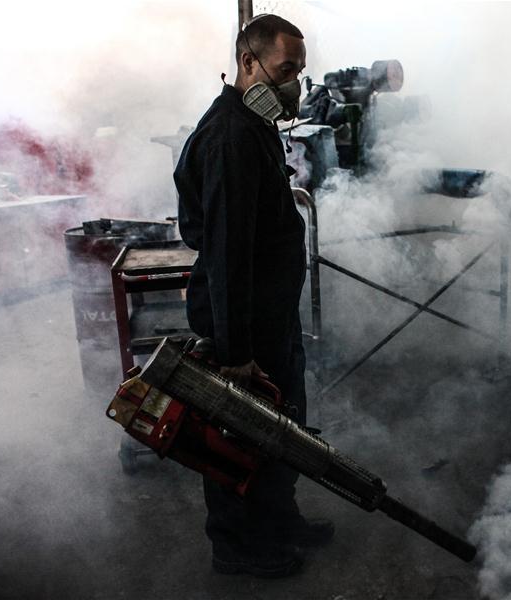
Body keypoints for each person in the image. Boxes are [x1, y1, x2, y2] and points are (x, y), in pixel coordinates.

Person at [174, 13, 333, 578]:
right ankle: (237, 545)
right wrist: (235, 349)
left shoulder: (256, 124)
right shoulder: (230, 138)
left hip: (269, 313)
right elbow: (225, 253)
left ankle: (278, 519)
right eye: (286, 69)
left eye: (300, 72)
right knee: (237, 435)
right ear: (249, 63)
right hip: (241, 323)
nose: (294, 84)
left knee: (280, 425)